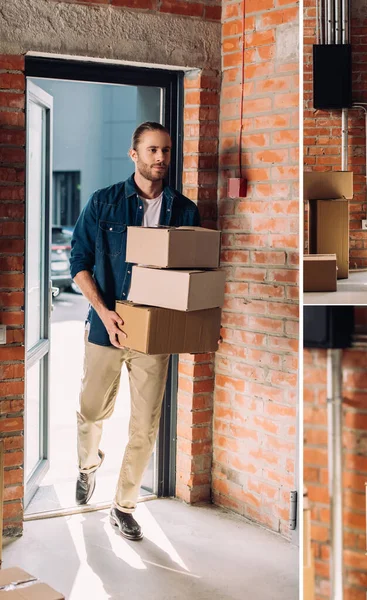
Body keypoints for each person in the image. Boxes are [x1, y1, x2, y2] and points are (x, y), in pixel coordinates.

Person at [69, 121, 200, 540]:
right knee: (91, 412)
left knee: (145, 426)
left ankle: (123, 506)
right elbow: (79, 264)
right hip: (106, 327)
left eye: (165, 150)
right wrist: (105, 313)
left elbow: (190, 275)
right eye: (151, 151)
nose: (160, 158)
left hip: (153, 334)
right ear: (134, 155)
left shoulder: (185, 211)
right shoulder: (103, 203)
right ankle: (88, 465)